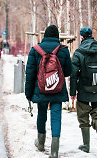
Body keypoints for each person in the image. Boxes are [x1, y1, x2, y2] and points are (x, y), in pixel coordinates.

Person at [25, 25, 72, 158]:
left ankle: (40, 143)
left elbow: (30, 74)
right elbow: (68, 71)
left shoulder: (35, 50)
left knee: (42, 114)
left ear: (44, 35)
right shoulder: (63, 50)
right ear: (57, 36)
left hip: (40, 89)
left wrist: (28, 94)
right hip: (58, 89)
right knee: (56, 117)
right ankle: (55, 151)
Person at [70, 26, 97, 153]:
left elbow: (73, 74)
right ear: (92, 36)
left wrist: (72, 92)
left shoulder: (78, 52)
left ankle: (86, 145)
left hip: (83, 90)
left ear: (81, 37)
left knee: (83, 117)